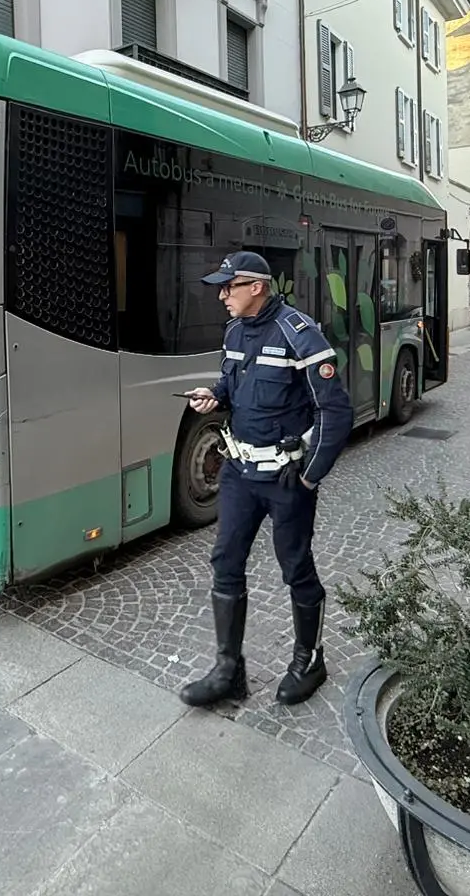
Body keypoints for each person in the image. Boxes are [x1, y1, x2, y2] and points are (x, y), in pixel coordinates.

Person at [179, 251, 354, 708]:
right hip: (239, 471)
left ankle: (309, 659)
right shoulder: (235, 331)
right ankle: (227, 671)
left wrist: (310, 477)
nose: (221, 296)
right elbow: (231, 386)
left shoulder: (300, 334)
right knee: (225, 561)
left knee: (295, 566)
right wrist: (212, 397)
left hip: (285, 477)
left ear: (256, 287)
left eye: (228, 287)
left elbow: (335, 412)